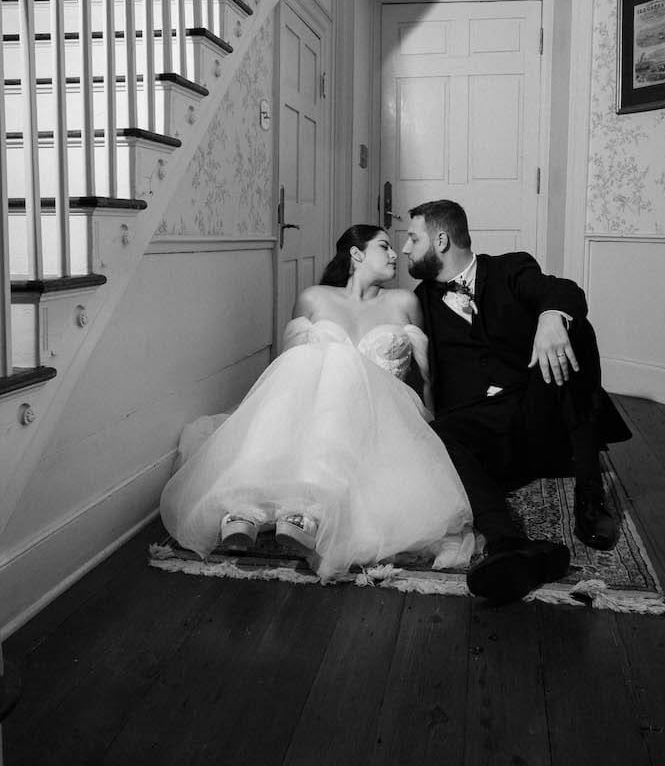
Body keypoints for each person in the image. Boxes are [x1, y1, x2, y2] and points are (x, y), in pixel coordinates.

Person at [160, 225, 473, 581]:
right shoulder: (313, 298)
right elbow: (286, 372)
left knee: (342, 364)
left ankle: (298, 508)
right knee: (314, 363)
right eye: (384, 246)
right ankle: (246, 507)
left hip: (377, 416)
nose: (394, 254)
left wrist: (427, 423)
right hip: (310, 414)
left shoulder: (404, 302)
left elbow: (426, 374)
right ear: (356, 255)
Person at [403, 199, 631, 604]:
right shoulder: (419, 299)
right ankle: (509, 544)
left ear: (440, 240)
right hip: (482, 430)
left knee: (575, 331)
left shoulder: (509, 268)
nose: (405, 248)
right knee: (437, 434)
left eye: (412, 237)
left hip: (537, 412)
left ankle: (589, 495)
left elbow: (563, 291)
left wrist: (550, 319)